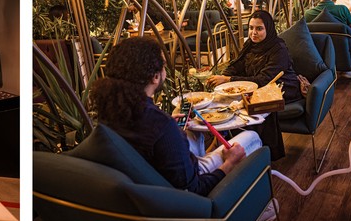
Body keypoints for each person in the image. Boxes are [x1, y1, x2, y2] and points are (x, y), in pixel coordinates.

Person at [88, 37, 264, 195]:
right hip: (186, 191)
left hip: (152, 181)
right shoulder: (161, 126)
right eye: (163, 66)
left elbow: (149, 139)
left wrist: (173, 129)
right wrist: (229, 163)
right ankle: (263, 207)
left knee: (192, 132)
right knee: (251, 137)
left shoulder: (111, 112)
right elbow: (194, 189)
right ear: (155, 77)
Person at [206, 10, 301, 160]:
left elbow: (265, 80)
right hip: (257, 86)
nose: (253, 33)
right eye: (250, 28)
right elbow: (237, 65)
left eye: (259, 28)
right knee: (228, 103)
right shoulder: (250, 44)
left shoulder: (278, 49)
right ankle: (233, 146)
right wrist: (224, 74)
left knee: (249, 107)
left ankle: (254, 153)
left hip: (281, 88)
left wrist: (228, 80)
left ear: (268, 29)